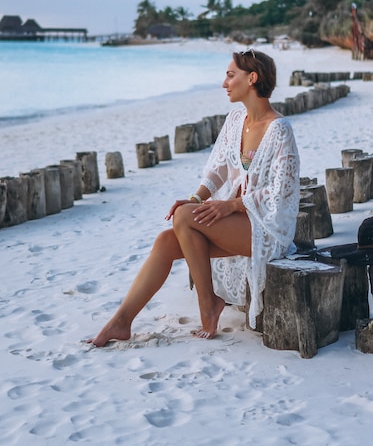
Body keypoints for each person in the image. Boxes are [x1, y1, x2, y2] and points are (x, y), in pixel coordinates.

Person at [87, 49, 300, 346]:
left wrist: (232, 205)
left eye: (230, 75)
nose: (224, 83)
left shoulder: (279, 129)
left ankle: (208, 303)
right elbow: (219, 170)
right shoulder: (236, 119)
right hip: (236, 221)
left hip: (266, 227)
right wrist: (196, 199)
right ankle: (120, 322)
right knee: (166, 240)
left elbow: (283, 189)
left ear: (252, 78)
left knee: (184, 217)